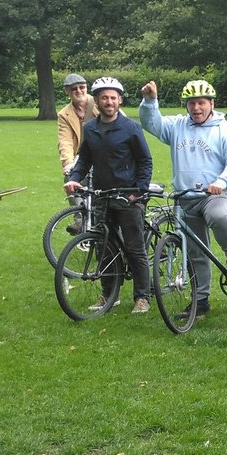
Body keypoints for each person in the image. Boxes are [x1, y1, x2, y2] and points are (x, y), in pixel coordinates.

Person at [140, 79, 227, 318]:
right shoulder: (177, 126)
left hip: (213, 194)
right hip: (185, 197)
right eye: (191, 103)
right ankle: (201, 300)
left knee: (219, 215)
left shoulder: (224, 129)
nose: (196, 108)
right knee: (196, 252)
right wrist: (149, 101)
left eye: (201, 103)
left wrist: (221, 182)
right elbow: (151, 123)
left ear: (211, 104)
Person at [64, 77, 153, 313]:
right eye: (104, 97)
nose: (109, 101)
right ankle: (109, 294)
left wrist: (138, 192)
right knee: (104, 247)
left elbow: (145, 161)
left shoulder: (131, 128)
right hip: (101, 195)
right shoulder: (90, 129)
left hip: (127, 196)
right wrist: (74, 177)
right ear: (97, 101)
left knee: (135, 248)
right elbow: (85, 158)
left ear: (120, 100)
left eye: (113, 97)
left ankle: (142, 297)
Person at [57, 73, 97, 233]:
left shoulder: (98, 102)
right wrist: (68, 163)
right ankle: (81, 220)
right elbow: (65, 140)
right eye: (74, 89)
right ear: (67, 91)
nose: (79, 91)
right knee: (71, 177)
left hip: (104, 154)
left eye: (82, 87)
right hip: (83, 156)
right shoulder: (64, 114)